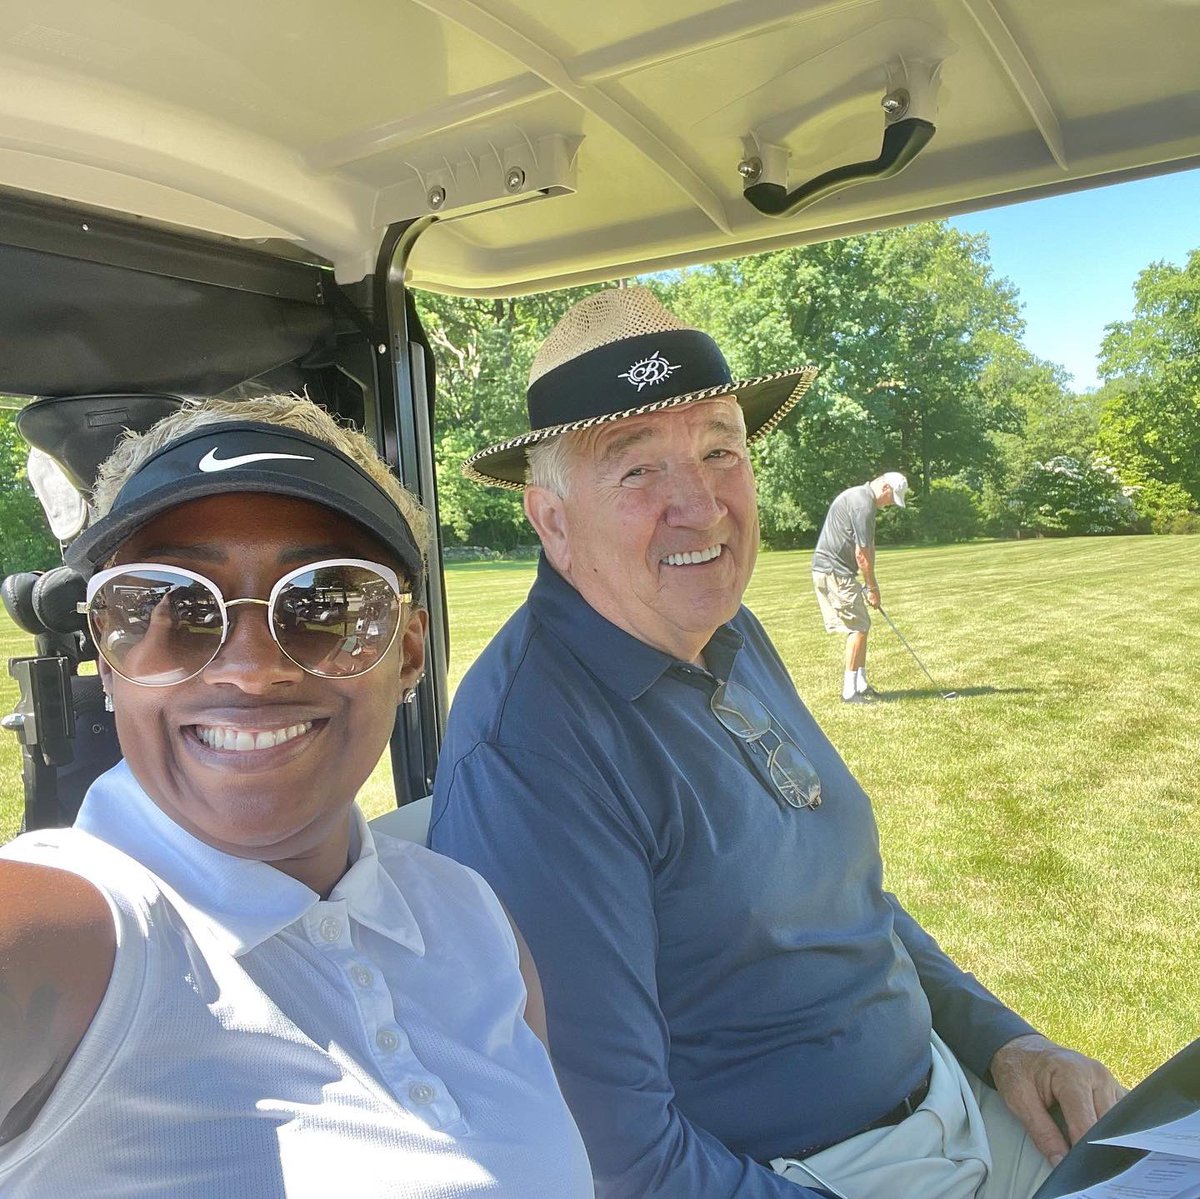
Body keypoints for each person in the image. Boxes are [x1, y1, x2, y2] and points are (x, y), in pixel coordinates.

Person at [429, 287, 1123, 1199]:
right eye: (636, 470)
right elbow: (619, 1161)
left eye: (721, 450)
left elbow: (844, 904)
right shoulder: (535, 750)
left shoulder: (730, 632)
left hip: (955, 1108)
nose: (702, 507)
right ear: (551, 520)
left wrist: (1004, 1041)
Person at [0, 396, 593, 1198]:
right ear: (109, 660)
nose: (251, 667)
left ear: (409, 651)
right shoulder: (72, 932)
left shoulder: (471, 919)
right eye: (172, 604)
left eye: (324, 602)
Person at [811, 472, 908, 703]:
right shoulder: (862, 503)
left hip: (836, 571)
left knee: (862, 624)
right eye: (891, 498)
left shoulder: (863, 500)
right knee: (858, 628)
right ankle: (849, 692)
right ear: (885, 487)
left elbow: (869, 547)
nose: (890, 504)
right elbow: (861, 554)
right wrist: (872, 587)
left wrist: (868, 585)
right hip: (833, 571)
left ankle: (861, 684)